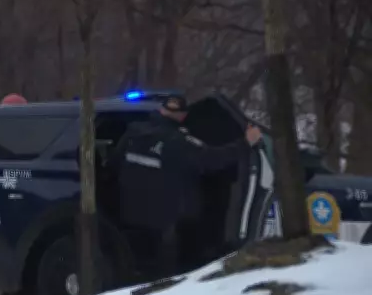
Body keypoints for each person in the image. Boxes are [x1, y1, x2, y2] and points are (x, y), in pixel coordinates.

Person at [112, 96, 262, 276]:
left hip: (130, 217)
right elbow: (212, 160)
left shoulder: (133, 132)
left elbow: (115, 162)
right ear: (183, 116)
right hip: (165, 222)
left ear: (161, 110)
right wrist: (246, 143)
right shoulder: (178, 141)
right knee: (168, 275)